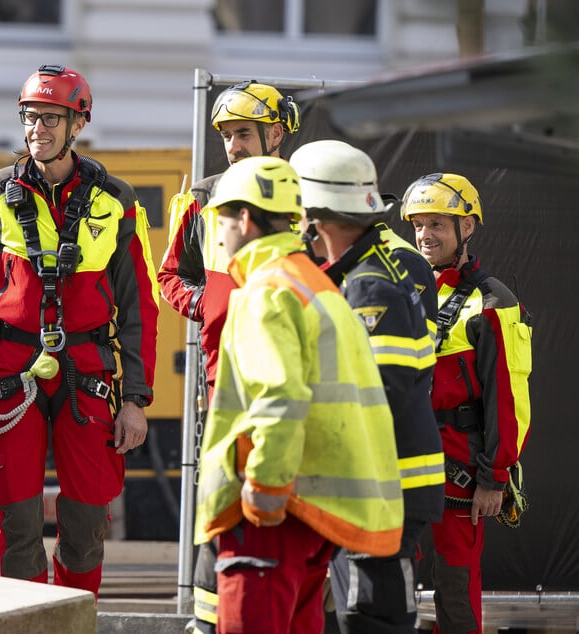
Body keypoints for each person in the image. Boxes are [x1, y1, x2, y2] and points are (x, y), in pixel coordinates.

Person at [0, 64, 159, 597]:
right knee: (18, 526)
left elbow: (140, 309)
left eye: (51, 118)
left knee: (85, 530)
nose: (38, 128)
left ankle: (75, 622)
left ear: (77, 122)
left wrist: (136, 399)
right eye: (30, 117)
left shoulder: (119, 200)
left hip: (88, 374)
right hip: (13, 370)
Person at [193, 155, 404, 634]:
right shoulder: (317, 285)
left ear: (244, 219)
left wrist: (264, 488)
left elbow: (278, 399)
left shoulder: (265, 291)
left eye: (220, 221)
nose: (219, 236)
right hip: (311, 513)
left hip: (271, 512)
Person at [157, 81, 299, 633]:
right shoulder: (201, 199)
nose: (234, 146)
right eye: (227, 136)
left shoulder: (308, 196)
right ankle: (209, 623)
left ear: (276, 134)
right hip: (222, 386)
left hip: (293, 382)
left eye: (243, 134)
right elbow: (171, 275)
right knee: (220, 508)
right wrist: (212, 305)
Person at [290, 140, 445, 633]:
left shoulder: (369, 284)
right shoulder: (366, 270)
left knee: (371, 618)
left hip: (382, 485)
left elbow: (380, 393)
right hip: (376, 480)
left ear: (318, 217)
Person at [401, 173, 532, 634]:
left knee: (455, 587)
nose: (424, 235)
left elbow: (508, 399)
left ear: (468, 227)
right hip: (398, 458)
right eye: (418, 224)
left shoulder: (493, 301)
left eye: (437, 223)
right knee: (386, 579)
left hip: (459, 462)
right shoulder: (398, 289)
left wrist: (494, 477)